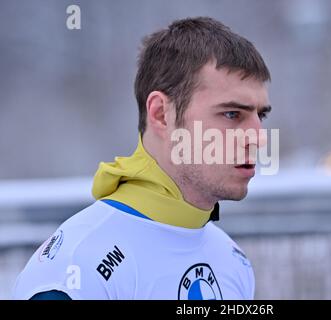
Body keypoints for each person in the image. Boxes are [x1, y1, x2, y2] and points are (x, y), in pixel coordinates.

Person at [13, 16, 271, 300]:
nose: (258, 138)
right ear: (161, 113)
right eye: (232, 114)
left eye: (260, 116)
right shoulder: (78, 270)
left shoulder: (232, 260)